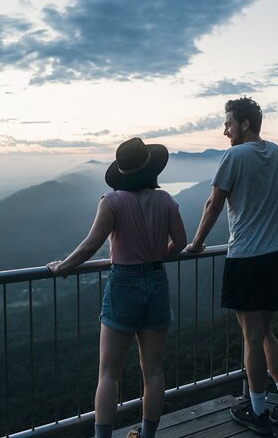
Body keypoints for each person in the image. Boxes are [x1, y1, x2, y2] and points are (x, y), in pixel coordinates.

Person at [47, 137, 187, 438]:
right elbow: (182, 243)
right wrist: (155, 257)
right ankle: (148, 434)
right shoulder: (167, 201)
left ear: (122, 173)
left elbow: (89, 246)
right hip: (157, 282)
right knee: (153, 371)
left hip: (124, 284)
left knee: (109, 373)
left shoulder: (112, 202)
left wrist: (62, 267)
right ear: (150, 169)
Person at [185, 97, 278, 436]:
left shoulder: (234, 156)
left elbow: (213, 203)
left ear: (245, 125)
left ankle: (257, 410)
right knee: (265, 332)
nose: (225, 131)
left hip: (247, 257)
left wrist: (196, 243)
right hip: (274, 256)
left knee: (251, 338)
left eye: (228, 124)